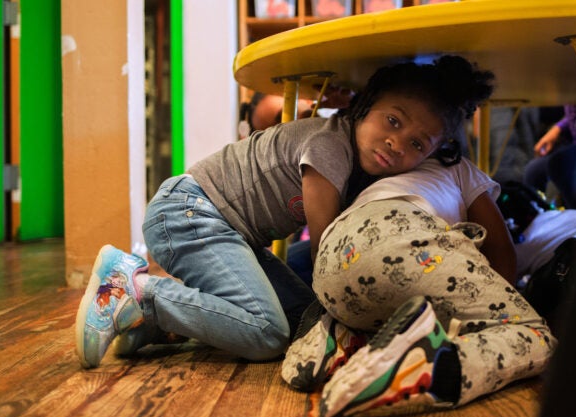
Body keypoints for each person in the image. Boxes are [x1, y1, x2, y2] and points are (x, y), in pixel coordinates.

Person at [73, 55, 496, 369]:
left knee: (303, 322)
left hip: (226, 231)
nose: (397, 143)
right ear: (364, 106)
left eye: (418, 145)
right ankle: (136, 292)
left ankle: (147, 325)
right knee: (267, 333)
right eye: (393, 121)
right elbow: (326, 258)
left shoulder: (359, 158)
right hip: (189, 213)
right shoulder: (329, 147)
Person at [281, 155, 556, 417]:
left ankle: (343, 331)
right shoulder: (460, 168)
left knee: (397, 304)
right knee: (535, 335)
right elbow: (503, 255)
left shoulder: (372, 176)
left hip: (334, 258)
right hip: (401, 233)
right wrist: (496, 309)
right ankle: (433, 363)